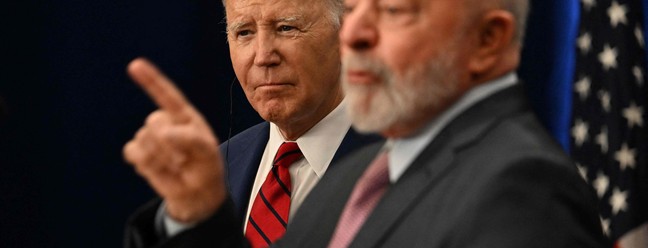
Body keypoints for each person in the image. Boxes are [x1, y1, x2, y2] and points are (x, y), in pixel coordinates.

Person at [125, 0, 610, 247]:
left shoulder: (522, 189)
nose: (353, 34)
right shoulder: (364, 180)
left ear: (487, 40)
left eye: (393, 10)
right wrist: (197, 215)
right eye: (355, 9)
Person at [122, 0, 379, 246]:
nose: (263, 56)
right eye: (244, 33)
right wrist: (187, 222)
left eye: (286, 28)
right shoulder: (215, 172)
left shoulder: (401, 161)